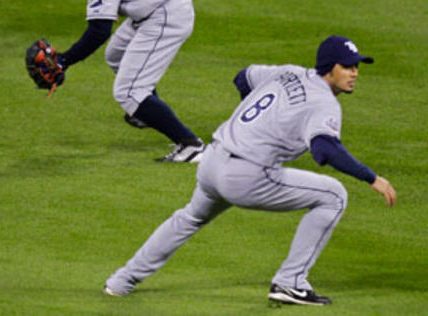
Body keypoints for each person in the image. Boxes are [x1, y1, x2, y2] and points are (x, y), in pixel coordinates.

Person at [104, 35, 397, 305]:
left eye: (357, 66)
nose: (355, 73)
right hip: (247, 176)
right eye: (347, 67)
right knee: (334, 195)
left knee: (188, 218)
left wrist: (256, 125)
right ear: (329, 68)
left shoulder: (290, 72)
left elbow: (243, 77)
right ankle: (290, 282)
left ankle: (121, 281)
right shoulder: (324, 103)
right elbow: (325, 150)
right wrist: (372, 178)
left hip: (212, 161)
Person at [35, 0, 205, 162]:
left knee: (127, 92)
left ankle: (190, 145)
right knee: (115, 54)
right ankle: (145, 111)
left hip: (165, 15)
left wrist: (64, 60)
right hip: (157, 3)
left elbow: (99, 30)